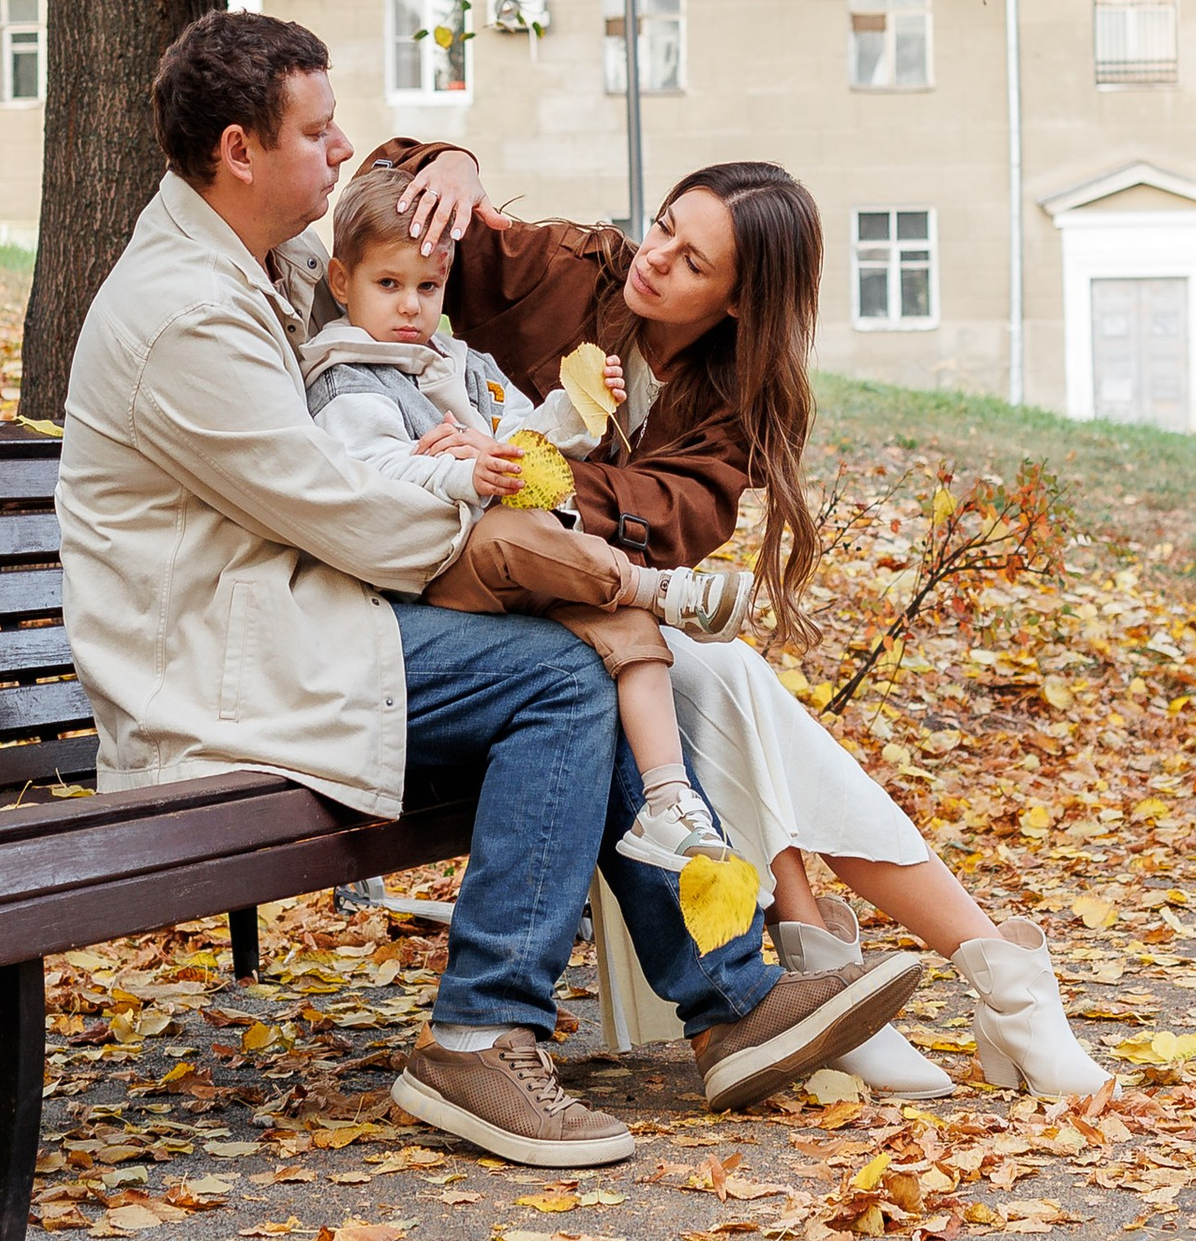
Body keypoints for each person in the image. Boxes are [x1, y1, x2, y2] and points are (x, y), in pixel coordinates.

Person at [54, 9, 928, 1172]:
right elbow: (350, 514)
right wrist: (496, 502)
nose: (343, 146)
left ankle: (727, 1008)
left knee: (578, 673)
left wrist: (451, 169)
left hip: (297, 616)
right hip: (221, 663)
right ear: (239, 150)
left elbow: (402, 244)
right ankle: (482, 1033)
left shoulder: (269, 263)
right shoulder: (187, 313)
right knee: (561, 680)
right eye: (318, 132)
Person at [379, 138, 1113, 1107]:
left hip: (572, 604)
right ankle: (983, 971)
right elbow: (387, 213)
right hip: (448, 585)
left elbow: (674, 515)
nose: (654, 257)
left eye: (690, 261)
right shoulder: (575, 269)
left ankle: (846, 963)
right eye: (664, 227)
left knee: (719, 678)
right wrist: (448, 160)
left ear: (734, 302)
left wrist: (536, 474)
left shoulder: (729, 401)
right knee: (718, 676)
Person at [303, 153, 749, 872]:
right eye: (389, 286)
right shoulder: (348, 376)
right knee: (532, 544)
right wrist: (456, 471)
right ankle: (660, 590)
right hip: (429, 568)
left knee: (618, 623)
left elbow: (520, 438)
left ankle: (668, 803)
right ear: (342, 283)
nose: (411, 306)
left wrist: (577, 409)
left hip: (491, 559)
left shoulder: (456, 360)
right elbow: (363, 474)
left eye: (428, 286)